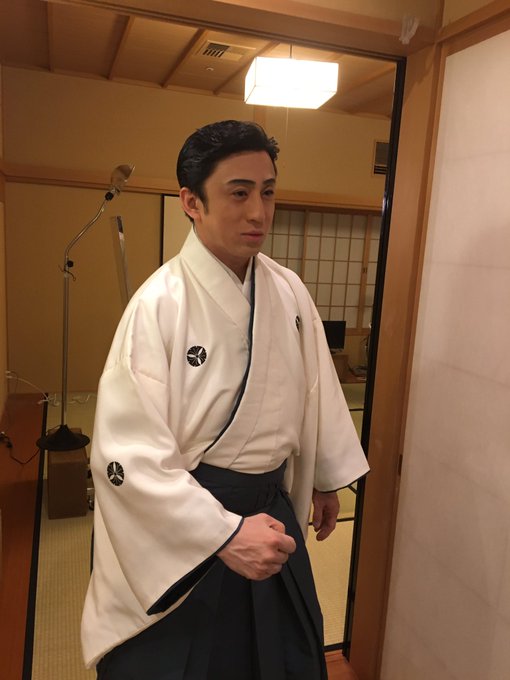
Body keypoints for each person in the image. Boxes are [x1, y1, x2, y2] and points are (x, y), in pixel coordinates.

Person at [81, 120, 369, 679]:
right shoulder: (158, 306)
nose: (259, 212)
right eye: (239, 193)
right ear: (192, 202)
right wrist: (223, 534)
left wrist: (325, 476)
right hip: (190, 519)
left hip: (272, 507)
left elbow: (317, 389)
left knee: (283, 658)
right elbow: (127, 454)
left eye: (268, 192)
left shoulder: (287, 290)